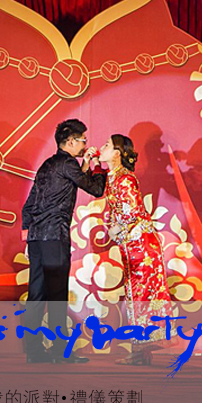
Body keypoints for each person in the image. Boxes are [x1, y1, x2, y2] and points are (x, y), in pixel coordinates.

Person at [21, 119, 106, 363]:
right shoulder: (68, 164)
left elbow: (29, 205)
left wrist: (27, 236)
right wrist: (97, 166)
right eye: (83, 140)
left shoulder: (48, 164)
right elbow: (96, 189)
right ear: (70, 141)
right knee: (57, 296)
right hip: (54, 238)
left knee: (37, 295)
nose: (85, 144)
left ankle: (34, 351)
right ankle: (59, 351)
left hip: (37, 238)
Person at [98, 134, 175, 365]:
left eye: (107, 145)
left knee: (141, 295)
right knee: (136, 295)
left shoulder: (125, 178)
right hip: (133, 243)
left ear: (117, 153)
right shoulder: (113, 177)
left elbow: (132, 211)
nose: (101, 147)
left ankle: (140, 350)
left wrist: (115, 229)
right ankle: (141, 352)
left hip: (141, 244)